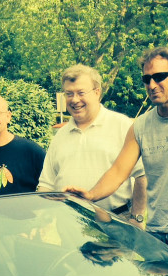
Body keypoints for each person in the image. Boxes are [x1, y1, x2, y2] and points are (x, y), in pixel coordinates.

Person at [66, 46, 168, 272]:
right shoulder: (141, 126)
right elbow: (118, 171)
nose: (152, 85)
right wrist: (91, 194)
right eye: (147, 78)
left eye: (159, 77)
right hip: (156, 237)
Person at [38, 64, 147, 224]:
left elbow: (142, 176)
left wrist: (136, 218)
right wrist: (40, 219)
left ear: (97, 93)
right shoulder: (60, 135)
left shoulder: (122, 125)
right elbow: (46, 184)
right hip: (69, 224)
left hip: (115, 221)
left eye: (81, 93)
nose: (74, 100)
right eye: (69, 94)